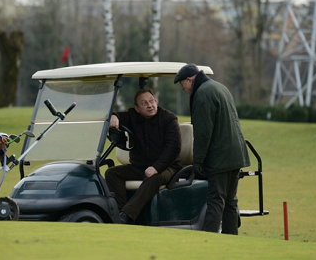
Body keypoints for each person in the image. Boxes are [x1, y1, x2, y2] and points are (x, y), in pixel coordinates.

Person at [174, 64, 250, 235]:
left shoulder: (202, 94)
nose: (183, 89)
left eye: (182, 85)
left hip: (220, 158)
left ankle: (209, 242)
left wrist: (198, 161)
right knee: (230, 202)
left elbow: (203, 132)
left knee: (215, 201)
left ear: (189, 79)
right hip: (235, 154)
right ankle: (230, 242)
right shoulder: (219, 87)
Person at [105, 88, 183, 224]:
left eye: (151, 101)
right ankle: (118, 213)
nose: (150, 105)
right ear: (137, 108)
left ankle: (126, 215)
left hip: (167, 166)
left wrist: (156, 167)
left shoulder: (169, 119)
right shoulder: (133, 116)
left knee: (153, 178)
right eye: (144, 103)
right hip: (141, 166)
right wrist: (113, 116)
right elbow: (119, 115)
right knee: (112, 173)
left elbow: (173, 148)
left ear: (156, 101)